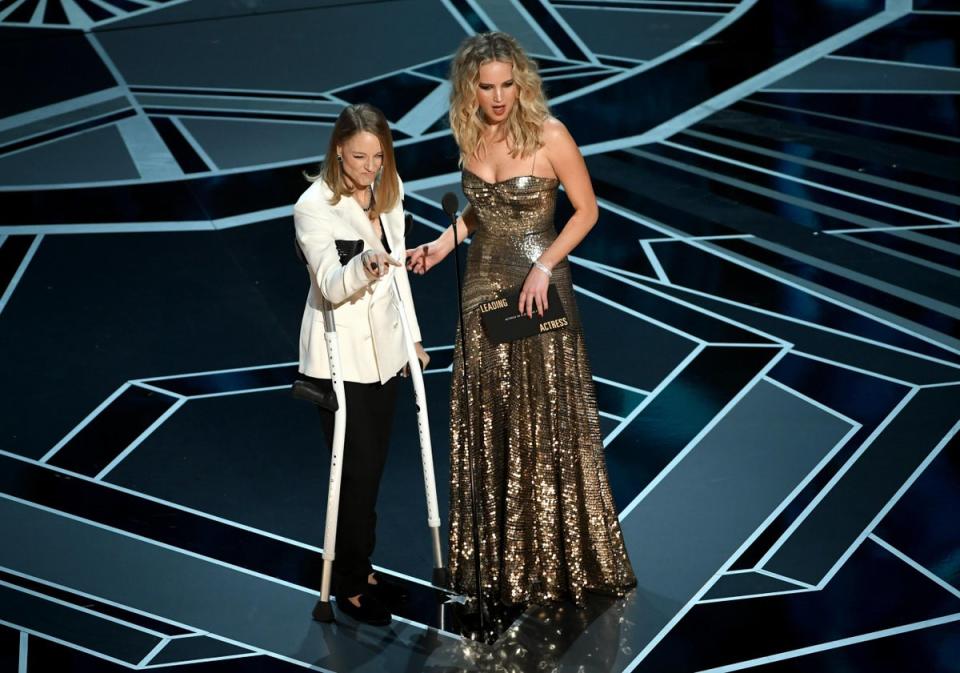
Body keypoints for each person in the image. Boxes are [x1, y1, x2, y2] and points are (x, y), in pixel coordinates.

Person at [407, 32, 636, 609]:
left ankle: (557, 559)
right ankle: (503, 561)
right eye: (487, 87)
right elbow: (479, 213)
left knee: (544, 415)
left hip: (540, 288)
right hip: (481, 283)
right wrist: (441, 244)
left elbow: (587, 211)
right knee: (491, 414)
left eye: (508, 84)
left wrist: (544, 264)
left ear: (522, 82)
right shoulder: (469, 134)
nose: (499, 96)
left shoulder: (550, 134)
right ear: (470, 89)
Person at [295, 103, 429, 626]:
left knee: (370, 472)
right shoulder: (314, 207)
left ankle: (362, 568)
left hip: (388, 356)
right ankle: (348, 585)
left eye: (378, 156)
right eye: (359, 157)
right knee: (352, 473)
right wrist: (362, 266)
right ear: (337, 152)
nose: (370, 166)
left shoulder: (387, 193)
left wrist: (413, 341)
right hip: (342, 358)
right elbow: (329, 283)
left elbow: (397, 278)